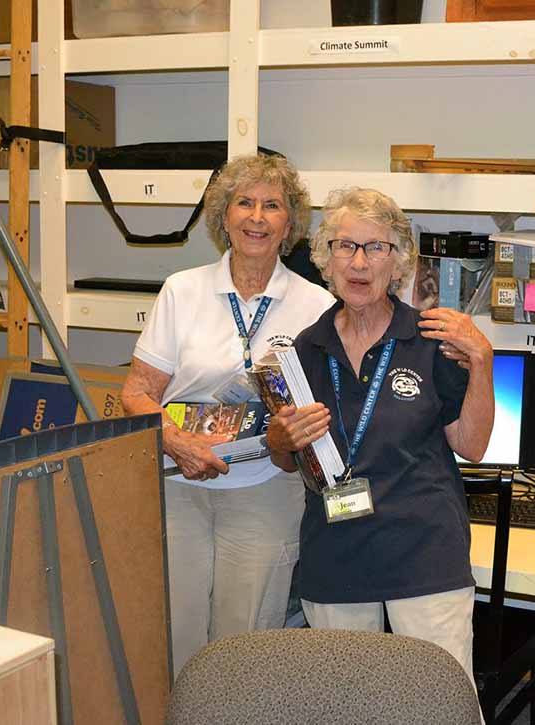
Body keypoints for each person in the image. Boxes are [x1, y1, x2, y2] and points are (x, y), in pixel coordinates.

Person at [265, 187, 495, 680]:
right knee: (347, 702)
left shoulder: (432, 340)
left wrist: (482, 360)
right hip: (337, 556)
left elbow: (472, 447)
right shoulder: (306, 349)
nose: (359, 262)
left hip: (424, 556)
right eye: (345, 246)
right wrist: (279, 442)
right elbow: (291, 460)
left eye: (376, 248)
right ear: (326, 259)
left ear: (399, 262)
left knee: (438, 702)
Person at [121, 154, 335, 672]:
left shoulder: (316, 305)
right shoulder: (183, 290)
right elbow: (136, 392)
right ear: (224, 216)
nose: (256, 217)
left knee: (245, 646)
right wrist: (176, 442)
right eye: (244, 203)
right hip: (182, 485)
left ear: (290, 225)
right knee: (179, 636)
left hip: (266, 489)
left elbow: (322, 410)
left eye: (272, 206)